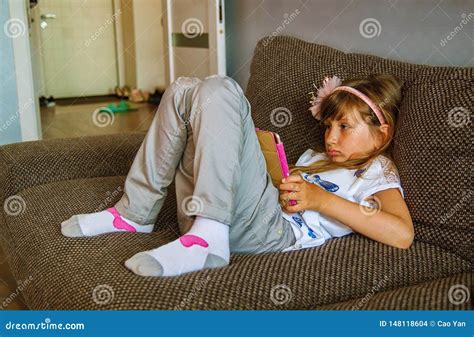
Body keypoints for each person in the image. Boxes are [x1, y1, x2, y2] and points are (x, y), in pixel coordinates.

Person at [61, 74, 414, 277]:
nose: (331, 137)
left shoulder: (375, 170)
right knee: (184, 88)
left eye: (344, 127)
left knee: (221, 89)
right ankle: (134, 213)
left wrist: (320, 199)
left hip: (275, 234)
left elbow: (401, 234)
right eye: (328, 126)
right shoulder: (318, 157)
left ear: (381, 135)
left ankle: (210, 236)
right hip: (233, 213)